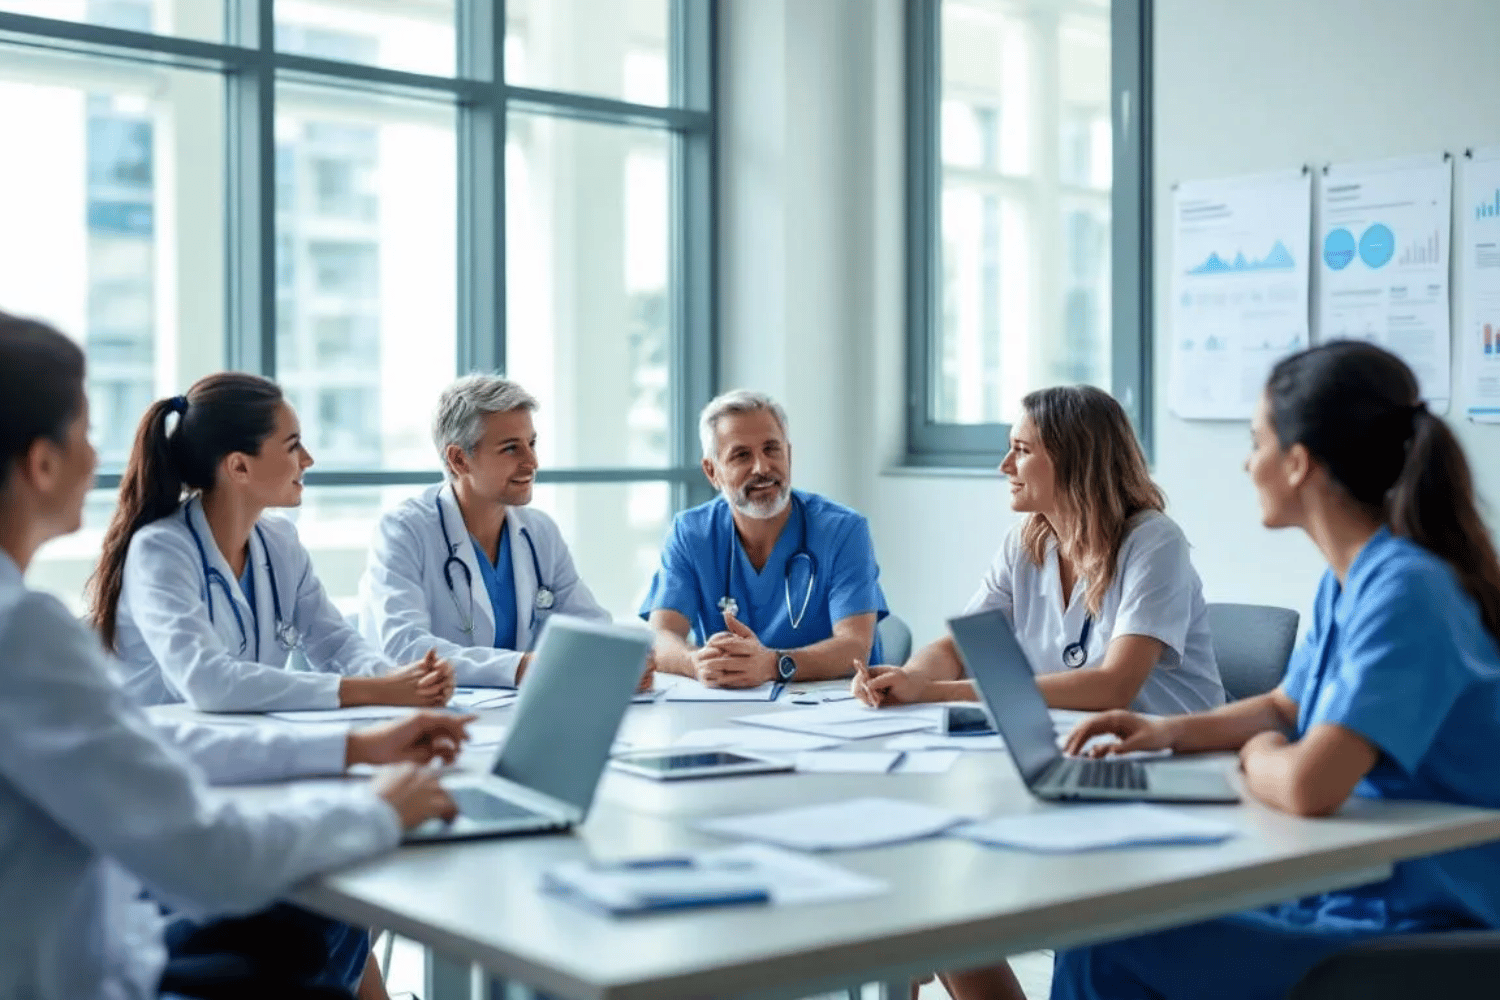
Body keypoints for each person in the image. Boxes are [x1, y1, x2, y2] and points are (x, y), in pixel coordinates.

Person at [969, 342, 1500, 1000]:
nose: (1248, 463)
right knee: (1120, 915)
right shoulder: (1351, 582)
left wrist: (1256, 753)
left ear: (1299, 463)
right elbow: (1283, 707)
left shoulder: (1407, 590)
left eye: (1257, 442)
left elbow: (1309, 782)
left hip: (1421, 923)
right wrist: (1163, 733)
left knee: (1108, 944)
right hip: (1353, 885)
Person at [0, 312, 464, 999]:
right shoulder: (27, 630)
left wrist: (358, 748)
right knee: (308, 915)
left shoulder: (21, 626)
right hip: (109, 958)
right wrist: (376, 809)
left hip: (132, 892)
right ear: (42, 463)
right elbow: (204, 853)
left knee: (318, 918)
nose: (99, 458)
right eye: (86, 434)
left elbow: (149, 734)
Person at [87, 372, 456, 713]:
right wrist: (375, 690)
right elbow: (209, 684)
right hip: (163, 753)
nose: (308, 460)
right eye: (293, 446)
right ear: (239, 467)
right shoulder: (161, 550)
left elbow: (336, 643)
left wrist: (402, 680)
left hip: (246, 743)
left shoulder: (279, 541)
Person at [853, 385, 1223, 716]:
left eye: (1022, 450)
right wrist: (909, 678)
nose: (1005, 466)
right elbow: (958, 648)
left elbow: (1114, 686)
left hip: (1176, 750)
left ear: (1074, 462)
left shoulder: (1155, 543)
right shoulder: (1026, 542)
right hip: (1080, 739)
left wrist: (936, 693)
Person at [360, 375, 632, 688]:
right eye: (511, 449)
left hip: (515, 712)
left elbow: (590, 625)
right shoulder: (403, 532)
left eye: (531, 444)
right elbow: (407, 649)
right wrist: (522, 667)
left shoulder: (539, 532)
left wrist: (617, 660)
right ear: (459, 459)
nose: (532, 462)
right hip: (426, 718)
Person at [641, 389, 888, 688]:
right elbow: (661, 635)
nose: (762, 467)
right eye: (741, 455)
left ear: (789, 454)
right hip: (728, 710)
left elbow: (854, 645)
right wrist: (696, 663)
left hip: (832, 710)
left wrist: (773, 664)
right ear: (712, 471)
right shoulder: (691, 534)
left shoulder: (843, 531)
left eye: (772, 449)